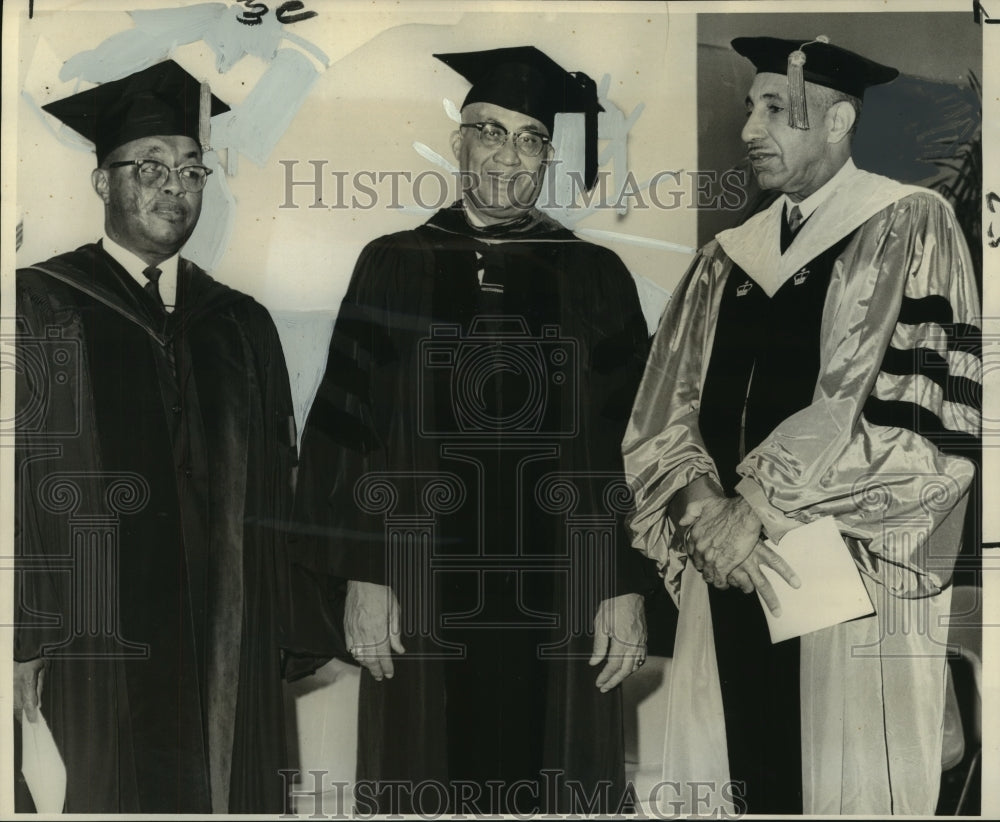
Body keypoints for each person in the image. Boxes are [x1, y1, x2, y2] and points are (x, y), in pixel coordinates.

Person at [291, 45, 658, 815]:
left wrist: (623, 585)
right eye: (490, 131)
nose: (507, 154)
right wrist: (362, 571)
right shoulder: (392, 266)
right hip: (418, 591)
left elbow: (638, 442)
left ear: (546, 158)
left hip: (564, 594)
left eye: (529, 139)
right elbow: (345, 431)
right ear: (458, 142)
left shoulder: (594, 278)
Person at [623, 37, 980, 815]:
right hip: (729, 569)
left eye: (776, 109)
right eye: (751, 108)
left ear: (840, 119)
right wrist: (704, 512)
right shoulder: (724, 259)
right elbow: (663, 411)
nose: (751, 128)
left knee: (835, 780)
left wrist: (756, 511)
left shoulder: (911, 224)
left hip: (844, 566)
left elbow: (924, 418)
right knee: (741, 771)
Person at [12, 60, 317, 813]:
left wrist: (285, 624)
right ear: (101, 182)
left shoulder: (241, 323)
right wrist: (21, 636)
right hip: (90, 641)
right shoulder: (38, 303)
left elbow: (280, 488)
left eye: (190, 169)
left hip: (226, 638)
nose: (174, 187)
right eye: (149, 167)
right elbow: (10, 489)